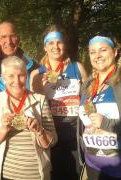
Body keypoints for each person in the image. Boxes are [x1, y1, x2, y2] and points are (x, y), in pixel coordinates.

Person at [0, 56, 58, 180]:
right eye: (11, 76)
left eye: (21, 75)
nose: (17, 81)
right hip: (2, 176)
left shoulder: (40, 100)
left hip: (36, 176)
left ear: (26, 76)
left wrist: (39, 130)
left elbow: (52, 141)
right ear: (3, 78)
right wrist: (2, 130)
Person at [30, 25, 87, 180]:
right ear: (45, 47)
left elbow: (88, 98)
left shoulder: (78, 68)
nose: (55, 46)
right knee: (53, 174)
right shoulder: (36, 73)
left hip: (75, 130)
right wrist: (39, 88)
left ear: (65, 45)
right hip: (50, 129)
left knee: (74, 173)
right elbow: (34, 107)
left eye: (59, 42)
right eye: (51, 43)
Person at [79, 35, 121, 180]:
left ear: (115, 52)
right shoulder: (88, 85)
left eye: (103, 50)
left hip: (116, 169)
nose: (97, 56)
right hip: (92, 164)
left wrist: (105, 123)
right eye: (92, 52)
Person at [0, 21, 38, 92]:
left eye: (12, 36)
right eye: (3, 37)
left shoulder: (33, 67)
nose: (9, 41)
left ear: (18, 39)